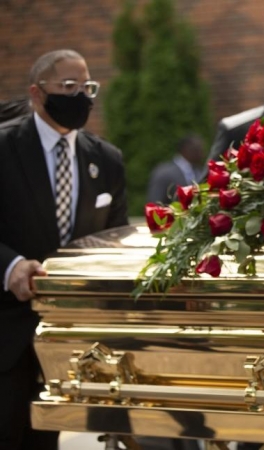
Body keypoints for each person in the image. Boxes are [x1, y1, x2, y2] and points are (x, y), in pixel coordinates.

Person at [0, 49, 129, 449]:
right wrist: (12, 267)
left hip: (67, 337)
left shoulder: (105, 159)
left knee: (46, 439)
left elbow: (114, 240)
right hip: (6, 328)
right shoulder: (5, 148)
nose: (81, 97)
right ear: (37, 94)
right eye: (68, 87)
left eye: (87, 87)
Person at [146, 133, 205, 203]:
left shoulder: (200, 171)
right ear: (185, 150)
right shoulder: (164, 173)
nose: (202, 155)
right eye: (197, 150)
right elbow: (154, 202)